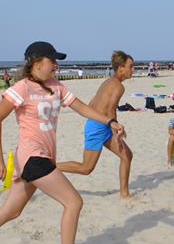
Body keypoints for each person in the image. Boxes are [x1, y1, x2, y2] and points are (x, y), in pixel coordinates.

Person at [0, 41, 125, 244]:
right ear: (36, 63)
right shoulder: (22, 88)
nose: (56, 65)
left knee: (10, 211)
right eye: (52, 61)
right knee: (73, 202)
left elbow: (83, 109)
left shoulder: (56, 86)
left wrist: (109, 121)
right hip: (32, 157)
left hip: (44, 156)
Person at [58, 51, 135, 198]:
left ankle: (124, 193)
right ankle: (50, 167)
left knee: (127, 156)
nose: (133, 69)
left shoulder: (109, 81)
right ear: (120, 68)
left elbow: (93, 103)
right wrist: (116, 131)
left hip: (100, 124)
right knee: (86, 168)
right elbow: (111, 110)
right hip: (98, 127)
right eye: (130, 66)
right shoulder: (118, 87)